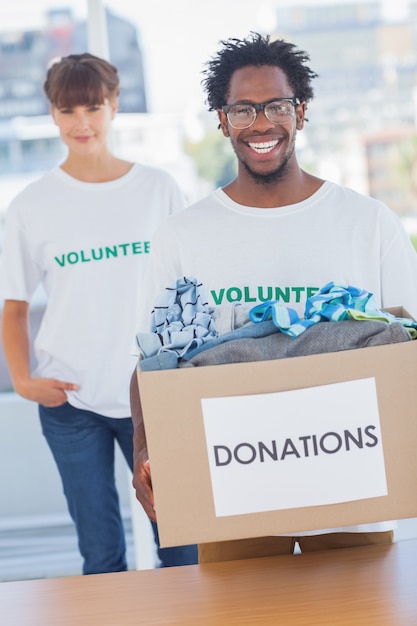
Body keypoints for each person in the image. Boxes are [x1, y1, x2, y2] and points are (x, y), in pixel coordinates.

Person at [129, 32, 417, 563]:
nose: (261, 124)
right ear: (222, 120)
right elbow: (153, 364)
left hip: (352, 494)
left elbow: (406, 356)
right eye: (243, 109)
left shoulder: (369, 223)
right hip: (233, 496)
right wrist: (144, 448)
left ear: (300, 113)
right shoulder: (182, 235)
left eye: (276, 106)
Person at [0, 53, 197, 574]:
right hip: (72, 402)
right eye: (68, 111)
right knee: (101, 555)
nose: (81, 123)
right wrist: (22, 380)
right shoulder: (30, 206)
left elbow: (190, 291)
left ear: (113, 106)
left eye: (92, 107)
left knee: (183, 546)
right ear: (52, 114)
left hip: (153, 394)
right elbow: (14, 306)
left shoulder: (159, 189)